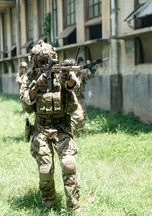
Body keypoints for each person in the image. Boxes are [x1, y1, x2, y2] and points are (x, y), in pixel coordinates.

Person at [19, 41, 81, 214]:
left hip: (62, 126)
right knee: (45, 170)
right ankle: (49, 205)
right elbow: (26, 102)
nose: (46, 63)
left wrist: (68, 76)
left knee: (69, 164)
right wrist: (36, 84)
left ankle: (74, 208)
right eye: (42, 60)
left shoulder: (60, 71)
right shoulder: (31, 76)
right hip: (42, 128)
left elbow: (74, 86)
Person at [62, 58, 97, 135]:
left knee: (84, 116)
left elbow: (90, 76)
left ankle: (79, 132)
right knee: (79, 117)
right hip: (72, 97)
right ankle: (69, 132)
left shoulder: (81, 72)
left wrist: (93, 69)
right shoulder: (67, 74)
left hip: (80, 97)